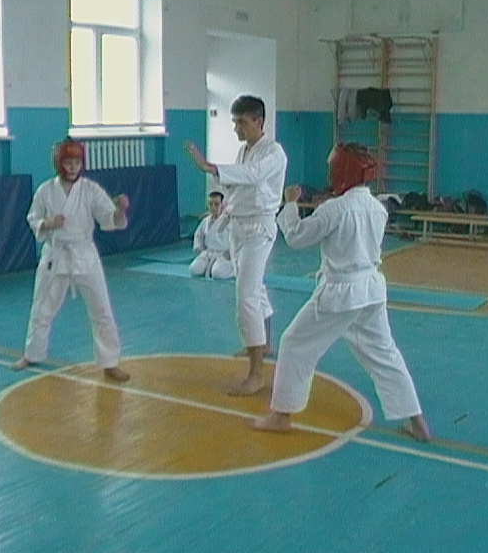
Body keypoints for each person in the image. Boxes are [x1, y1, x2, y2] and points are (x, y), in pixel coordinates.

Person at [252, 143, 432, 442]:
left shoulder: (334, 209)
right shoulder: (377, 208)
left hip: (340, 293)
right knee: (384, 354)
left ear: (342, 172)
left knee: (295, 343)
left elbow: (296, 237)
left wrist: (291, 203)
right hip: (371, 291)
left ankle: (281, 416)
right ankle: (416, 420)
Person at [184, 95, 287, 395]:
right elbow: (238, 185)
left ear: (259, 121)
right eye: (235, 122)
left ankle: (256, 374)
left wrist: (210, 166)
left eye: (242, 122)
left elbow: (254, 177)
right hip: (238, 227)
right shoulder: (244, 151)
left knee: (246, 298)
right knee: (255, 289)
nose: (237, 128)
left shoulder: (274, 153)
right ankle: (264, 344)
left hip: (258, 230)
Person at [12, 138, 130, 382]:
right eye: (68, 162)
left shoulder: (90, 189)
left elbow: (109, 219)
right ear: (59, 163)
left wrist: (120, 210)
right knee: (42, 308)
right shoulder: (46, 190)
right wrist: (47, 223)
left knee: (101, 309)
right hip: (55, 255)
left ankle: (110, 362)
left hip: (84, 254)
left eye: (77, 162)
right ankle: (32, 354)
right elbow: (33, 218)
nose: (73, 167)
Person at [189, 191, 235, 280]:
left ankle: (235, 271)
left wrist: (231, 251)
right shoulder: (206, 221)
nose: (213, 207)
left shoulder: (228, 221)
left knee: (217, 273)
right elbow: (198, 235)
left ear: (222, 205)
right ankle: (208, 267)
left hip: (224, 255)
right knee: (193, 269)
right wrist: (199, 248)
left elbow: (236, 238)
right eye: (210, 204)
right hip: (208, 253)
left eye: (216, 204)